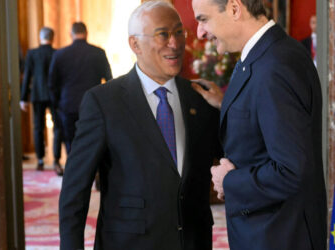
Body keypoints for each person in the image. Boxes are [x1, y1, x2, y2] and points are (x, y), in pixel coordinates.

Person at [59, 1, 222, 249]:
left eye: (179, 32)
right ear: (135, 44)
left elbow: (234, 154)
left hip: (193, 240)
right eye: (163, 34)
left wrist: (227, 109)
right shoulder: (103, 102)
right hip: (129, 242)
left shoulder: (201, 97)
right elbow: (75, 191)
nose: (175, 43)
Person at [191, 0, 327, 250]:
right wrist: (226, 105)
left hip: (279, 236)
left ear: (234, 9)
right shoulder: (264, 54)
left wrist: (228, 181)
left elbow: (291, 170)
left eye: (203, 19)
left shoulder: (276, 65)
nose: (200, 32)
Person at [48, 22, 112, 153]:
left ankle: (74, 171)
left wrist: (57, 104)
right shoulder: (98, 53)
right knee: (93, 142)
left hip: (68, 105)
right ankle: (93, 172)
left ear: (70, 34)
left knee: (71, 143)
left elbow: (52, 84)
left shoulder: (60, 54)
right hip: (93, 105)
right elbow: (109, 80)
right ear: (86, 33)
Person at [20, 27, 63, 175]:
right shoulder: (57, 53)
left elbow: (27, 77)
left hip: (37, 95)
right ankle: (56, 159)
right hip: (54, 96)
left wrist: (22, 98)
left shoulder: (32, 53)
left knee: (38, 127)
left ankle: (40, 160)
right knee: (57, 128)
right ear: (53, 37)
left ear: (40, 37)